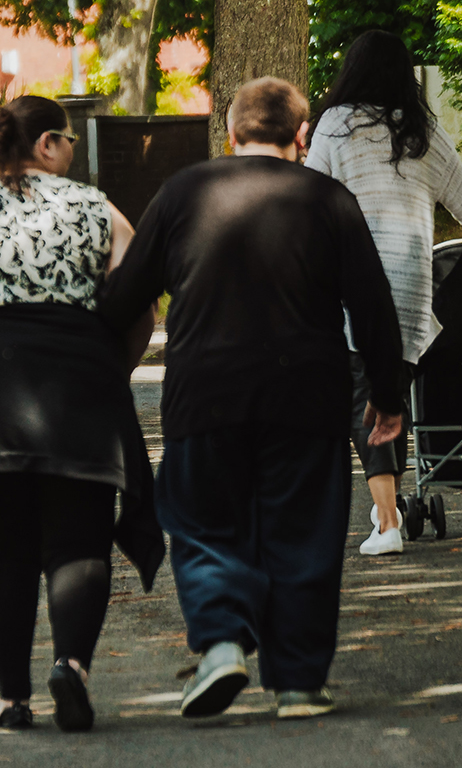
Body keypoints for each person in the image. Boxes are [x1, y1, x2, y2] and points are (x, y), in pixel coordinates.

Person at [97, 78, 406, 721]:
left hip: (203, 392)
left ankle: (220, 642)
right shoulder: (329, 199)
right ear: (302, 137)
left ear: (230, 135)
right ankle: (297, 683)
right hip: (307, 396)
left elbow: (124, 298)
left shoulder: (185, 192)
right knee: (304, 533)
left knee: (202, 523)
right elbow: (373, 305)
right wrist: (386, 393)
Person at [0, 94, 158, 732]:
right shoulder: (95, 206)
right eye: (68, 140)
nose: (72, 151)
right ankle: (71, 665)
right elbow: (137, 298)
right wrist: (114, 368)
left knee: (5, 547)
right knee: (80, 537)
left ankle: (13, 699)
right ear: (45, 144)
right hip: (78, 377)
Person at [306, 29, 462, 557]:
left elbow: (311, 202)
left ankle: (389, 521)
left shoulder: (334, 126)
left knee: (365, 400)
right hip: (413, 286)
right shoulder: (421, 130)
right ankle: (387, 515)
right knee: (389, 390)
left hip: (356, 283)